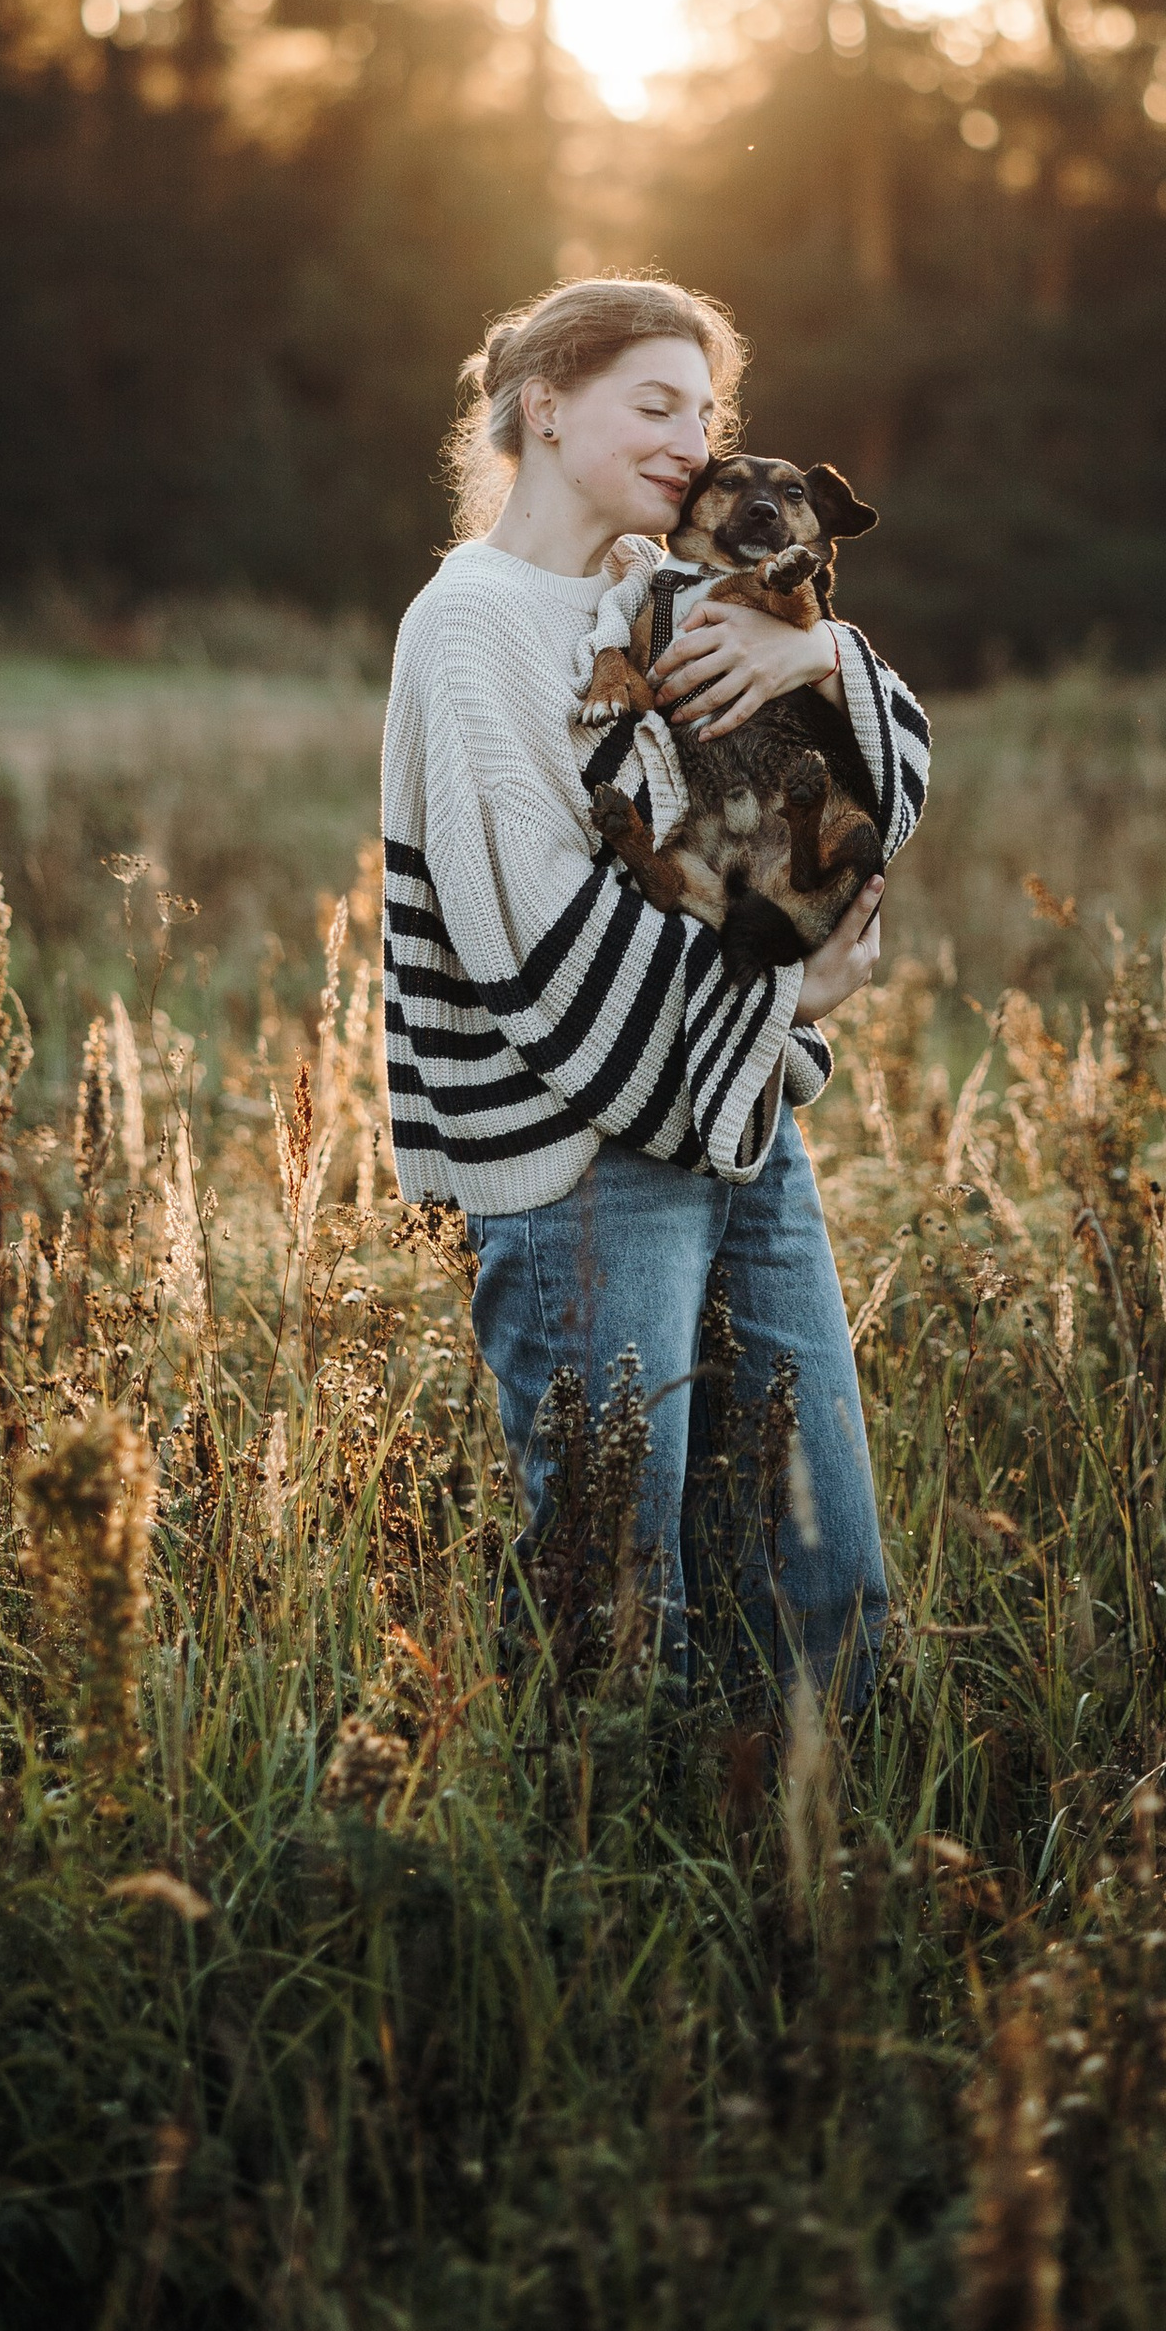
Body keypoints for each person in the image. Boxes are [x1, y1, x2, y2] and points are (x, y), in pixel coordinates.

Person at [381, 274, 929, 1713]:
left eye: (708, 410)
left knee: (822, 1569)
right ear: (546, 408)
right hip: (582, 1170)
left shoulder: (669, 596)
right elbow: (537, 951)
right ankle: (603, 1897)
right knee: (618, 1598)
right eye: (656, 403)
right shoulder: (471, 626)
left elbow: (891, 792)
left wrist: (816, 652)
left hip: (736, 1128)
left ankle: (810, 1884)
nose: (695, 439)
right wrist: (788, 1008)